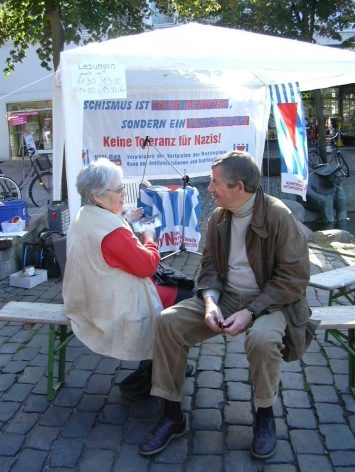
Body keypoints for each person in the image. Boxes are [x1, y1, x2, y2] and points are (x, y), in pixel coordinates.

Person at [138, 151, 319, 459]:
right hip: (224, 296)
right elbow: (208, 268)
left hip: (270, 302)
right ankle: (172, 415)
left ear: (239, 187)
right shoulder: (218, 217)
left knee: (262, 338)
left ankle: (264, 416)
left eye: (215, 182)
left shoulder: (279, 217)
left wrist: (251, 312)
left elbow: (294, 279)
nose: (209, 188)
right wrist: (209, 301)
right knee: (168, 322)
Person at [63, 158, 193, 364]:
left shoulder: (83, 214)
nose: (124, 193)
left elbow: (111, 247)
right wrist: (150, 238)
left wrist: (125, 218)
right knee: (190, 296)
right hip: (108, 304)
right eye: (119, 189)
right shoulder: (111, 231)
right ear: (97, 196)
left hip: (85, 297)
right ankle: (162, 365)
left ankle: (157, 364)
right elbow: (147, 266)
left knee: (173, 281)